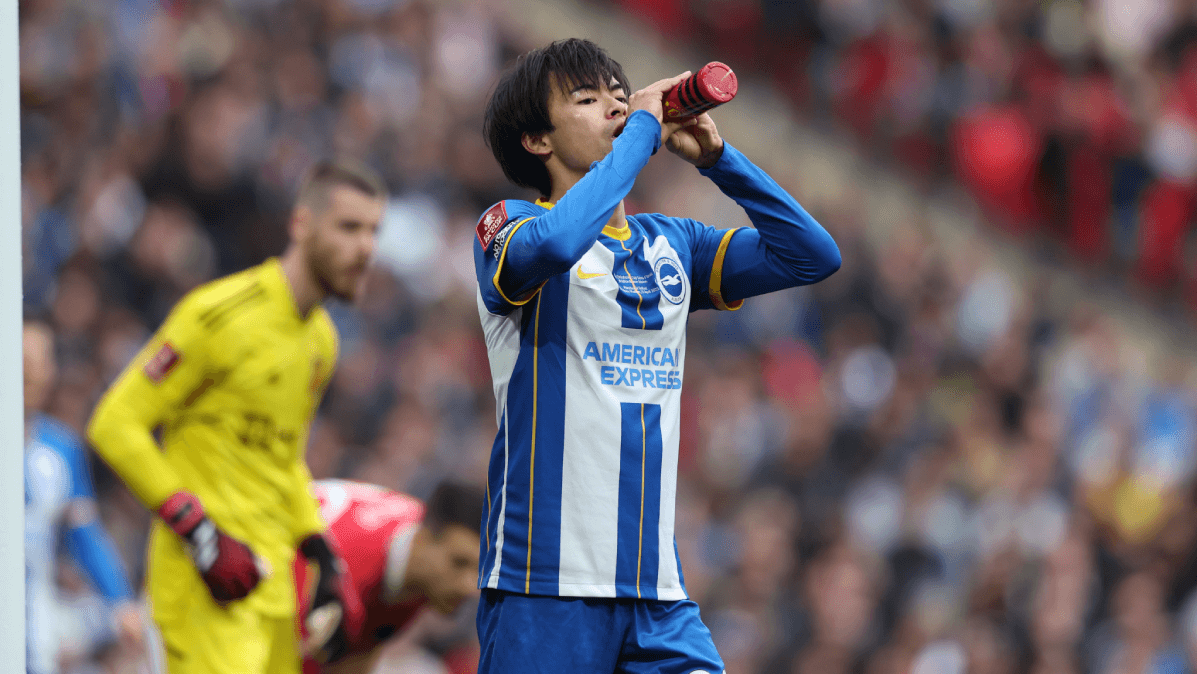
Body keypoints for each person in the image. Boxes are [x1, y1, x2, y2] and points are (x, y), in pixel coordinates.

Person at [473, 38, 841, 672]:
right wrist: (642, 130)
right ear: (538, 140)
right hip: (544, 582)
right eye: (589, 100)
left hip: (656, 594)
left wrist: (722, 161)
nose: (618, 106)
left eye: (622, 94)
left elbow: (811, 255)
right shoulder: (508, 225)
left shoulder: (671, 242)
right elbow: (559, 243)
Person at [86, 159, 387, 674]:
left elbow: (283, 458)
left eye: (374, 231)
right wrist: (199, 531)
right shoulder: (218, 314)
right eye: (349, 227)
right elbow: (114, 423)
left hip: (269, 591)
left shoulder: (321, 342)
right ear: (301, 224)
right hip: (204, 588)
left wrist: (320, 550)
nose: (365, 248)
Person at [24, 318, 145, 674]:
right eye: (22, 360)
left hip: (33, 626)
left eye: (40, 361)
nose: (31, 372)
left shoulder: (60, 451)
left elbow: (85, 534)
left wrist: (120, 599)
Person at [294, 479, 485, 674]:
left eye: (480, 570)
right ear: (422, 539)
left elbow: (361, 654)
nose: (471, 586)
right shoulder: (343, 570)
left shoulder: (420, 557)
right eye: (460, 563)